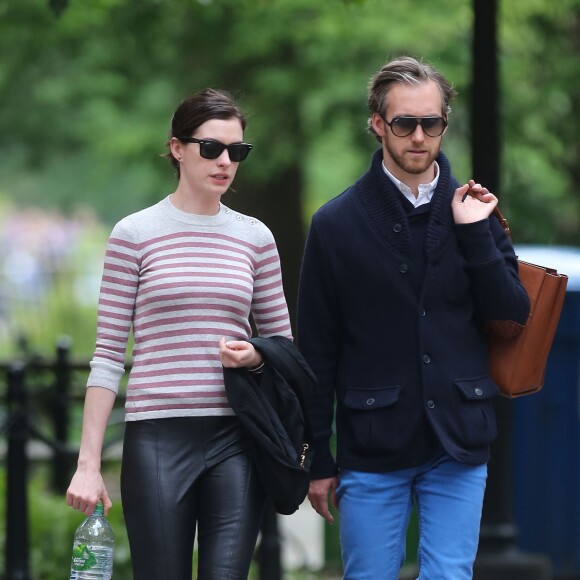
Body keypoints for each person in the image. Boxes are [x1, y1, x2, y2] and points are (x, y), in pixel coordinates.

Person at [296, 56, 530, 579]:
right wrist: (318, 456)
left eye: (433, 123)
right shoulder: (335, 224)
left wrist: (474, 234)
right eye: (405, 123)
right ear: (378, 124)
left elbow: (513, 314)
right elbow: (316, 350)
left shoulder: (475, 211)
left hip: (459, 435)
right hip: (373, 441)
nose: (420, 136)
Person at [66, 88, 292, 580]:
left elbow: (283, 349)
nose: (225, 161)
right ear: (177, 148)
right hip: (157, 437)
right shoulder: (135, 233)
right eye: (211, 148)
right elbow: (107, 355)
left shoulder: (256, 237)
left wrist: (253, 357)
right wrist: (88, 464)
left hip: (237, 434)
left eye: (237, 151)